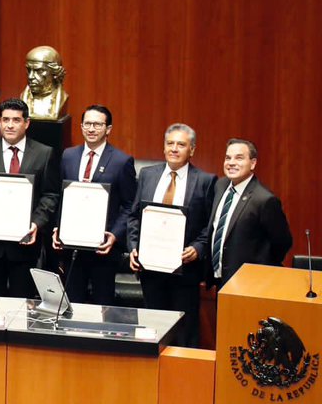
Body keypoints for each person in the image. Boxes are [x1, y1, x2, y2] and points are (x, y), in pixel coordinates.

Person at [127, 123, 216, 347]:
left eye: (181, 144)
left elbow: (209, 225)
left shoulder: (205, 181)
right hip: (151, 270)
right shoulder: (147, 175)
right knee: (152, 330)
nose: (174, 149)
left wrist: (198, 248)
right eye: (170, 143)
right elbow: (134, 216)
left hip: (184, 272)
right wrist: (134, 247)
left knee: (185, 334)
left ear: (192, 150)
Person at [0, 98, 61, 297]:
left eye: (16, 120)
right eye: (5, 119)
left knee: (21, 307)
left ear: (26, 123)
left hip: (24, 246)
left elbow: (50, 195)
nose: (9, 125)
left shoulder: (44, 153)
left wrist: (36, 223)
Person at [52, 105, 137, 305]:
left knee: (102, 305)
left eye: (97, 124)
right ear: (81, 127)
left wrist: (114, 235)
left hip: (103, 248)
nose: (91, 129)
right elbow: (60, 197)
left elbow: (129, 206)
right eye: (87, 124)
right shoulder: (68, 156)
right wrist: (57, 228)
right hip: (72, 246)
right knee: (72, 303)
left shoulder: (122, 161)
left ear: (108, 129)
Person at [206, 139, 292, 287]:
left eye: (239, 158)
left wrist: (259, 269)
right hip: (220, 279)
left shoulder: (264, 199)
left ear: (252, 163)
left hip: (249, 283)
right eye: (228, 158)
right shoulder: (220, 185)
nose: (231, 163)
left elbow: (282, 243)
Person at [19, 46, 68, 121]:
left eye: (39, 71)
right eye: (29, 70)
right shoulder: (23, 98)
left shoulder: (63, 98)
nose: (30, 76)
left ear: (54, 73)